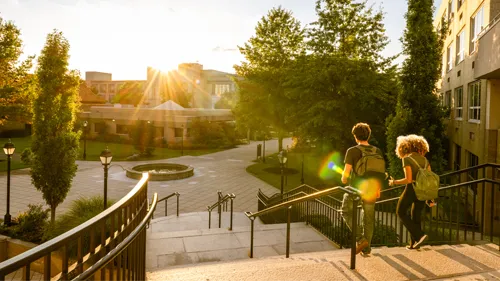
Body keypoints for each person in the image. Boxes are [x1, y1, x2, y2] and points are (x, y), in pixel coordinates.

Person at [341, 123, 386, 255]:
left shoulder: (352, 151)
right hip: (372, 189)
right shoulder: (377, 151)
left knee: (345, 211)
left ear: (355, 136)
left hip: (356, 189)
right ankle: (366, 248)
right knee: (368, 218)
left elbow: (346, 174)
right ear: (369, 135)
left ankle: (360, 239)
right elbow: (379, 172)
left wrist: (343, 180)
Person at [389, 134, 433, 250]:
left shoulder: (406, 159)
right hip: (422, 190)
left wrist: (394, 182)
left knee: (400, 211)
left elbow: (408, 179)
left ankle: (420, 235)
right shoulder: (425, 160)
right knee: (416, 216)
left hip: (412, 189)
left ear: (406, 147)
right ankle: (414, 244)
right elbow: (429, 179)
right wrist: (430, 197)